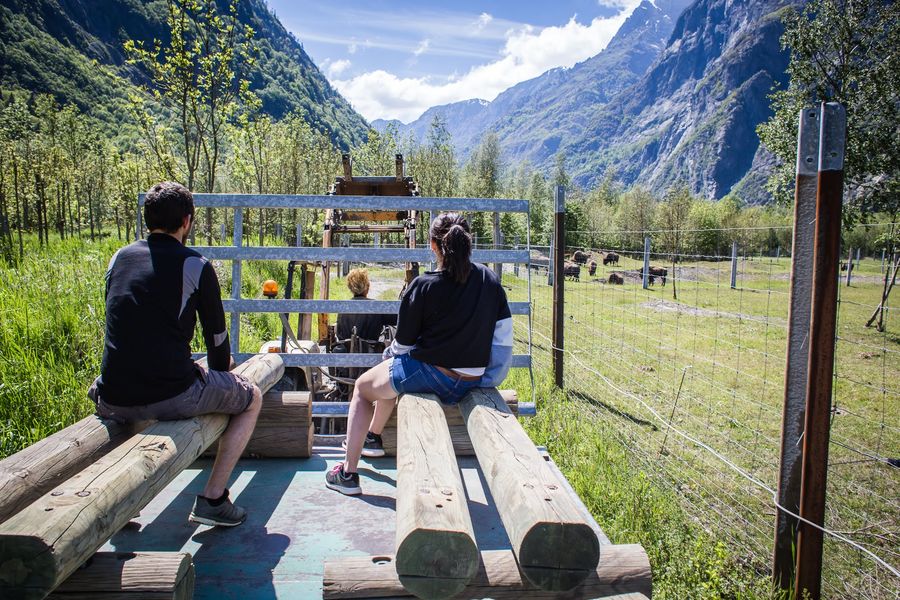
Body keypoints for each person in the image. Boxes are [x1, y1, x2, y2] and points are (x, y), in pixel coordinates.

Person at [88, 181, 262, 527]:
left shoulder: (119, 258)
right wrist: (222, 374)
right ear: (187, 221)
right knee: (252, 397)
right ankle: (214, 498)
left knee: (135, 379)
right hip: (172, 393)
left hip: (111, 394)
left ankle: (124, 503)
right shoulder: (195, 264)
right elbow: (217, 340)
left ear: (147, 218)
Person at [326, 212, 513, 495]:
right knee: (389, 375)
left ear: (433, 245)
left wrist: (389, 355)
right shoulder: (490, 280)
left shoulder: (423, 286)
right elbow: (502, 340)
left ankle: (348, 473)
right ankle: (372, 438)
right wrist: (487, 378)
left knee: (364, 388)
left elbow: (402, 343)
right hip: (473, 379)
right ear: (469, 242)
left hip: (432, 375)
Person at [334, 268, 397, 455]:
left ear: (350, 287)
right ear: (367, 287)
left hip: (346, 365)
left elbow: (339, 335)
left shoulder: (343, 309)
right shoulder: (376, 307)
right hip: (370, 363)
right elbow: (397, 318)